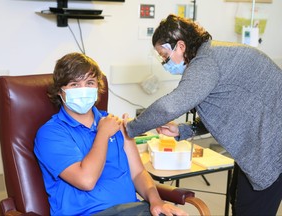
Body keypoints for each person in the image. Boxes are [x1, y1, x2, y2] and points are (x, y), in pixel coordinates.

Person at [124, 14, 282, 216]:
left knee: (248, 208)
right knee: (238, 198)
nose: (165, 63)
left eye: (164, 56)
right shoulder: (214, 54)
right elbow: (226, 113)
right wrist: (182, 130)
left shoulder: (206, 62)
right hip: (261, 143)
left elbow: (169, 107)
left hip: (270, 147)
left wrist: (129, 129)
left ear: (180, 46)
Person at [34, 52, 187, 216]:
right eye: (74, 85)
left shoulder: (113, 123)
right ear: (60, 90)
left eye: (90, 82)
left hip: (132, 210)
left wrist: (156, 201)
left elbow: (138, 173)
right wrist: (103, 134)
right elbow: (86, 181)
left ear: (98, 87)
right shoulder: (50, 134)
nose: (83, 90)